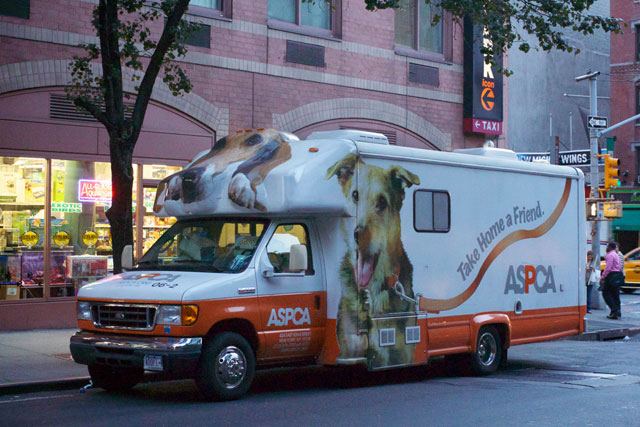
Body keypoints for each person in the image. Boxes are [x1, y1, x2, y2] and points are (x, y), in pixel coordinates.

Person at [601, 242, 624, 319]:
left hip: (611, 275)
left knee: (606, 293)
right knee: (615, 294)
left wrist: (603, 277)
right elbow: (620, 265)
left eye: (607, 246)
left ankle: (614, 309)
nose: (606, 248)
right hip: (617, 275)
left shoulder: (610, 255)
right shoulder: (616, 255)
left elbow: (608, 268)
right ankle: (616, 311)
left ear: (610, 247)